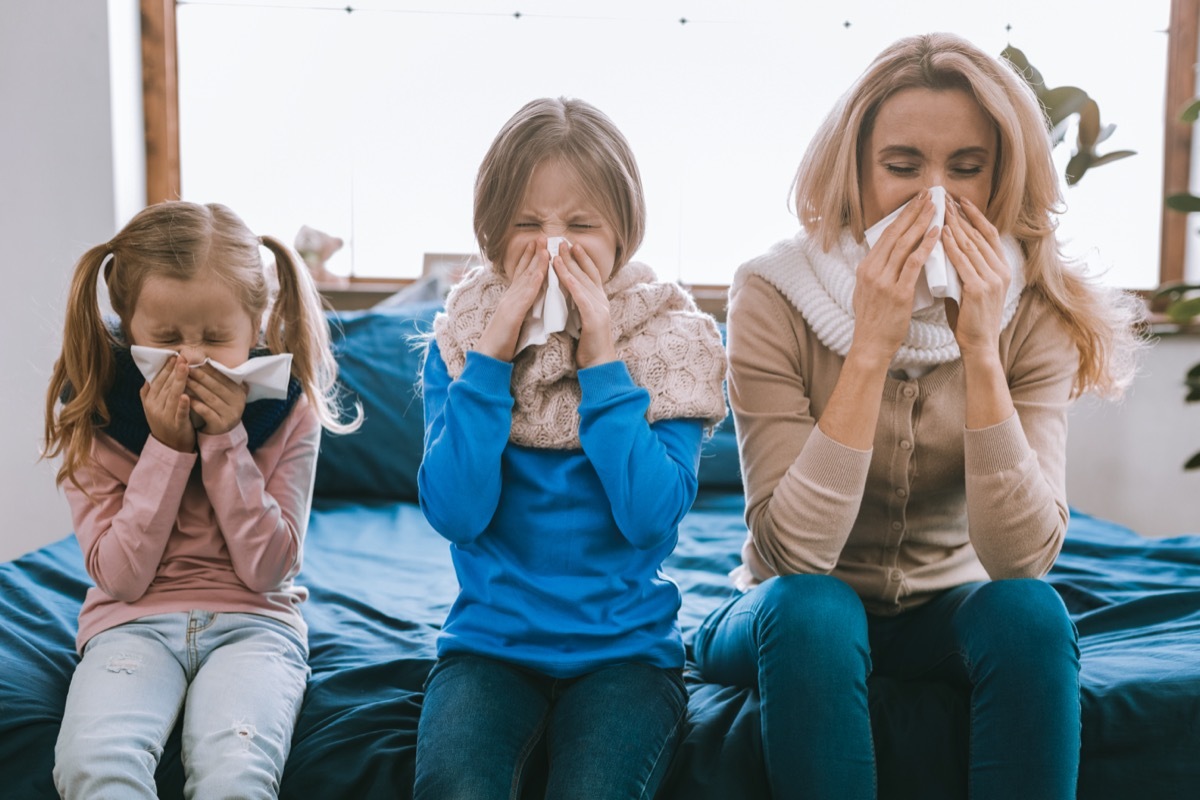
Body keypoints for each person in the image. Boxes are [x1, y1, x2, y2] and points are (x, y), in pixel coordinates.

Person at [692, 32, 1142, 800]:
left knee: (1032, 614)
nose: (934, 196)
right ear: (853, 172)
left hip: (948, 610)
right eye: (902, 168)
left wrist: (980, 347)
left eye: (966, 170)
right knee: (815, 609)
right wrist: (869, 345)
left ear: (1000, 178)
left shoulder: (1032, 306)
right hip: (786, 610)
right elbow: (792, 554)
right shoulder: (771, 291)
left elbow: (1023, 559)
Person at [414, 96, 727, 799]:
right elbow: (456, 513)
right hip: (488, 650)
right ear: (492, 236)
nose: (553, 247)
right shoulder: (460, 344)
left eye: (580, 226)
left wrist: (603, 363)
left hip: (626, 658)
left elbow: (650, 517)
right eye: (527, 225)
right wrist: (493, 355)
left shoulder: (672, 344)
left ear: (624, 234)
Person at [44, 201, 360, 799]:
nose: (191, 358)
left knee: (236, 774)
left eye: (217, 338)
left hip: (255, 623)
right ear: (127, 327)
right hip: (130, 624)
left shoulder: (290, 409)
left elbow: (270, 568)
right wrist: (165, 449)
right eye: (165, 339)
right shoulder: (94, 411)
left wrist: (225, 442)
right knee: (94, 764)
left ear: (256, 325)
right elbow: (120, 576)